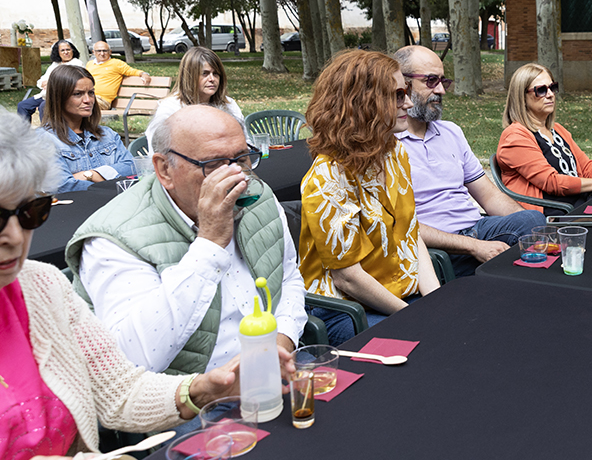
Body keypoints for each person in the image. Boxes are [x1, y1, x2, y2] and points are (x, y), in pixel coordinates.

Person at [0, 112, 256, 460]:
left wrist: (200, 389)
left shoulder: (39, 286)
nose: (12, 236)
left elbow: (118, 390)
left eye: (30, 212)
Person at [65, 105, 306, 376]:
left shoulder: (258, 196)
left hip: (273, 370)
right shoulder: (114, 239)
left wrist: (282, 341)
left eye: (242, 159)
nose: (237, 177)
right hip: (187, 402)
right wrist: (210, 242)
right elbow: (133, 361)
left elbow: (287, 277)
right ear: (164, 169)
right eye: (212, 165)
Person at [299, 49, 440, 345]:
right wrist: (416, 316)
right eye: (398, 95)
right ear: (364, 103)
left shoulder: (395, 153)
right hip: (347, 309)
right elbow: (348, 278)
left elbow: (410, 236)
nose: (409, 103)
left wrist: (436, 303)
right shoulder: (327, 176)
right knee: (429, 344)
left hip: (399, 295)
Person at [393, 46, 544, 277]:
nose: (442, 90)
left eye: (444, 81)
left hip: (476, 230)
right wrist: (473, 246)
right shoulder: (385, 145)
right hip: (434, 250)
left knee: (532, 220)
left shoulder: (451, 132)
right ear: (402, 85)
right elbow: (401, 226)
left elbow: (489, 195)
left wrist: (532, 230)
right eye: (431, 81)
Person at [496, 63, 592, 214]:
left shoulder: (557, 130)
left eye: (552, 87)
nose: (550, 94)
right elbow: (552, 183)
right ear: (522, 97)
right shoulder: (515, 137)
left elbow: (586, 167)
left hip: (579, 200)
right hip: (557, 211)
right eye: (541, 90)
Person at [41, 66, 135, 193]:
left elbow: (131, 167)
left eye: (91, 92)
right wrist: (110, 179)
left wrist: (91, 175)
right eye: (77, 94)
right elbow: (61, 186)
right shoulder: (44, 140)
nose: (88, 100)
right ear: (59, 98)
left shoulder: (108, 135)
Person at [144, 46, 245, 143]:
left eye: (216, 74)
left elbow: (245, 142)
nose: (212, 79)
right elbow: (157, 148)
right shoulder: (170, 109)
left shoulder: (229, 104)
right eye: (205, 73)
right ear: (190, 77)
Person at [16, 40, 86, 123]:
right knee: (23, 106)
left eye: (68, 50)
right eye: (62, 50)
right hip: (46, 94)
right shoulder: (55, 64)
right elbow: (42, 80)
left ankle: (48, 133)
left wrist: (50, 84)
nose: (66, 52)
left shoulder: (77, 63)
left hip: (62, 96)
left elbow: (70, 81)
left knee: (44, 107)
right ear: (58, 53)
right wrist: (43, 83)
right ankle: (24, 134)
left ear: (73, 51)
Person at [86, 39, 151, 110]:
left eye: (105, 51)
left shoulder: (116, 63)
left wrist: (143, 74)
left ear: (110, 52)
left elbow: (132, 71)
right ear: (93, 52)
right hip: (88, 97)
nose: (102, 53)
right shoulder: (90, 64)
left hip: (102, 101)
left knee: (80, 104)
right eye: (99, 51)